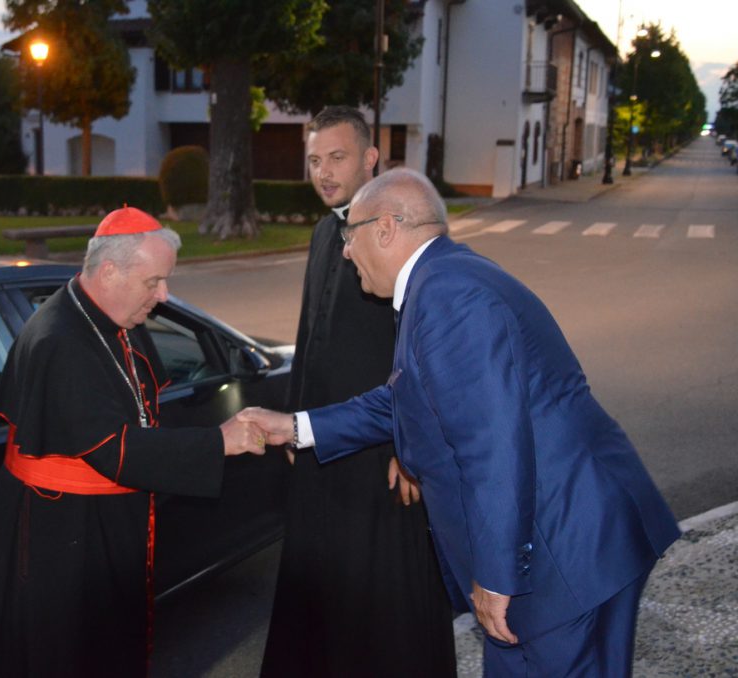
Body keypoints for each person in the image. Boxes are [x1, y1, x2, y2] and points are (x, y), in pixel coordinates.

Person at [242, 168, 681, 676]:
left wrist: (497, 577)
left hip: (561, 554)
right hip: (562, 539)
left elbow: (492, 445)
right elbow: (403, 399)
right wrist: (297, 427)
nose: (344, 252)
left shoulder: (448, 297)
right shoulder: (442, 279)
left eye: (349, 234)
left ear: (384, 228)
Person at [0, 206, 267, 678]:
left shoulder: (106, 315)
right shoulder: (61, 342)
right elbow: (114, 450)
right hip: (67, 537)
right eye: (153, 282)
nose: (164, 296)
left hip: (94, 522)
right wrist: (218, 441)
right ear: (110, 271)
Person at [259, 107, 456, 678]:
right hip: (321, 449)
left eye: (337, 157)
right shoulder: (325, 233)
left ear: (371, 158)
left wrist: (411, 447)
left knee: (381, 607)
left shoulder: (403, 234)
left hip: (379, 455)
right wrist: (295, 423)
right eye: (314, 160)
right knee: (319, 591)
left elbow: (425, 354)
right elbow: (309, 335)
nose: (323, 172)